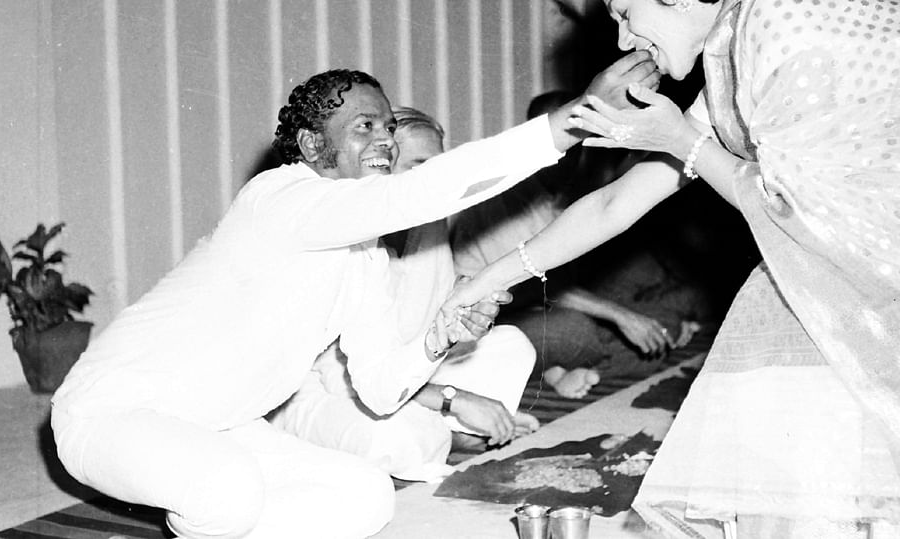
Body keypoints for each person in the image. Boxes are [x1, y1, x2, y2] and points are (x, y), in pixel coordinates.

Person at [441, 0, 900, 537]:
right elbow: (620, 202)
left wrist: (680, 140)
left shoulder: (783, 14)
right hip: (875, 245)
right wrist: (481, 283)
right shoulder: (732, 41)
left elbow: (797, 213)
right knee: (795, 362)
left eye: (625, 13)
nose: (623, 39)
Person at [50, 60, 659, 539]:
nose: (386, 140)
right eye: (365, 125)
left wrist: (439, 336)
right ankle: (211, 517)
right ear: (314, 147)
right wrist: (570, 121)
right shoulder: (279, 198)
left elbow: (378, 387)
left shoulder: (364, 255)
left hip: (223, 426)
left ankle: (213, 521)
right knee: (228, 492)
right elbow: (421, 194)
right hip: (112, 414)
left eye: (389, 126)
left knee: (367, 496)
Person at [269, 105, 539, 483]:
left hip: (400, 377)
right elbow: (346, 378)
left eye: (438, 167)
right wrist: (455, 399)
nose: (435, 180)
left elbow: (430, 324)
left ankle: (452, 431)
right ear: (382, 163)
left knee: (511, 344)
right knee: (404, 439)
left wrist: (468, 315)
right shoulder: (345, 235)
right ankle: (448, 434)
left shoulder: (428, 223)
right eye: (419, 166)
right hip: (328, 389)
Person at [451, 91, 702, 399]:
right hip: (498, 320)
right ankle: (555, 371)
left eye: (578, 139)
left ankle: (581, 361)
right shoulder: (505, 195)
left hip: (554, 301)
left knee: (660, 291)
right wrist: (621, 316)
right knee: (580, 330)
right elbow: (532, 281)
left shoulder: (562, 185)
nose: (570, 150)